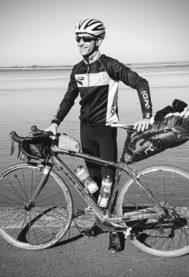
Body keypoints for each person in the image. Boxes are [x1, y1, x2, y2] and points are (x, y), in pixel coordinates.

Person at [45, 18, 154, 253]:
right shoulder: (78, 69)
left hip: (106, 131)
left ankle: (115, 233)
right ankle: (99, 222)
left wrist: (147, 115)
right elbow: (68, 99)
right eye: (78, 39)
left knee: (109, 183)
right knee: (92, 182)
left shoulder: (109, 65)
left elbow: (141, 83)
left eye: (86, 39)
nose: (80, 43)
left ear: (98, 41)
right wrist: (54, 123)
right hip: (86, 131)